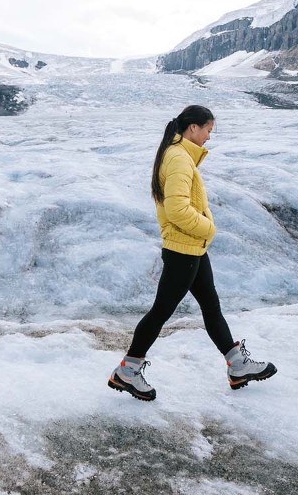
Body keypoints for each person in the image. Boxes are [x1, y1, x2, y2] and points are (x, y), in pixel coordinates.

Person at [108, 105, 276, 401]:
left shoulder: (179, 155)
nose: (209, 137)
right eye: (208, 130)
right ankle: (128, 370)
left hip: (191, 248)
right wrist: (208, 229)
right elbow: (176, 210)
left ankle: (237, 365)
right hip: (183, 249)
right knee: (162, 310)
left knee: (211, 307)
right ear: (193, 128)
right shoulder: (178, 159)